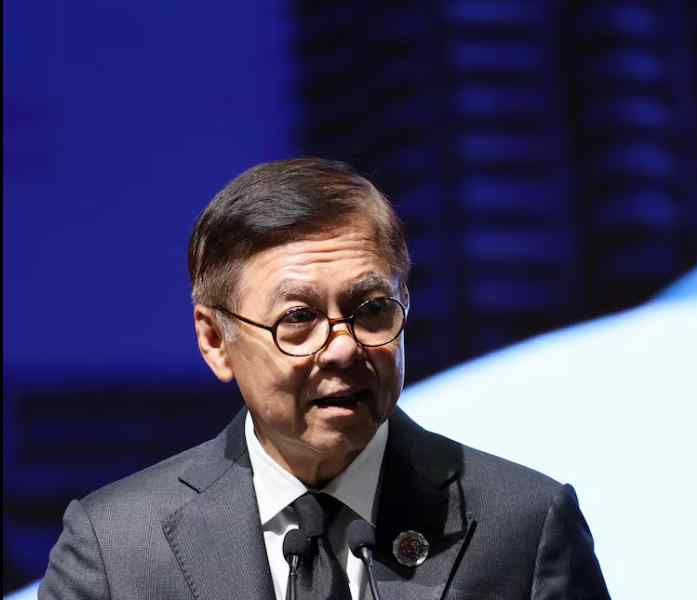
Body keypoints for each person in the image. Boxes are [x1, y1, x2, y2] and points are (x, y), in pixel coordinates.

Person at [39, 158, 610, 599]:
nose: (342, 349)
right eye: (298, 319)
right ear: (215, 340)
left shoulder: (526, 523)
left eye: (371, 310)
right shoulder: (114, 546)